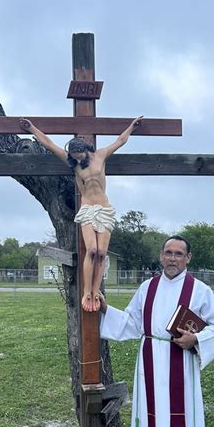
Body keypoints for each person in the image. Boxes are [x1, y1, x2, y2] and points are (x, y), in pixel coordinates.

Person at [98, 236, 214, 427]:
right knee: (153, 423)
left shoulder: (200, 290)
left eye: (179, 254)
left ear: (188, 259)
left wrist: (196, 340)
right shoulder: (147, 288)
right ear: (161, 256)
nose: (173, 258)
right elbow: (131, 323)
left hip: (180, 365)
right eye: (168, 253)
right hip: (150, 365)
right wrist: (104, 309)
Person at [19, 116, 143, 312]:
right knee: (92, 250)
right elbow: (50, 144)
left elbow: (120, 141)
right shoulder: (74, 164)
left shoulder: (101, 155)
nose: (76, 159)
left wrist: (132, 127)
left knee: (102, 253)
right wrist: (32, 129)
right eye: (73, 156)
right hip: (87, 209)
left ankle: (95, 291)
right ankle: (86, 291)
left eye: (79, 155)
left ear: (86, 149)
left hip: (104, 208)